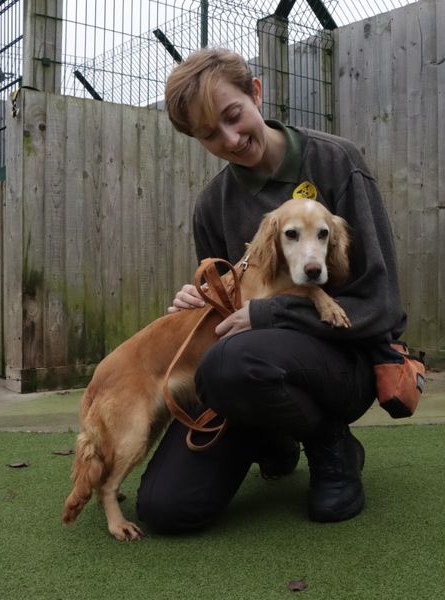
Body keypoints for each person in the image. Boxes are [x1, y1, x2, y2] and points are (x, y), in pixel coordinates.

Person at [135, 48, 407, 533]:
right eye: (209, 134)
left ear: (256, 93)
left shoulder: (336, 161)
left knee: (234, 361)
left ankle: (331, 443)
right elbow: (228, 312)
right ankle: (272, 436)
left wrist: (270, 316)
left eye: (233, 115)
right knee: (164, 508)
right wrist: (197, 305)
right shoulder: (211, 205)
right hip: (245, 370)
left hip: (342, 363)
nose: (230, 139)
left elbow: (381, 305)